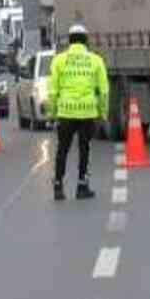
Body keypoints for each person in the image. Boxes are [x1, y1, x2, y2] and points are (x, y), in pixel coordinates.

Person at [48, 24, 109, 201]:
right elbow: (104, 91)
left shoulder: (59, 61)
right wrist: (102, 112)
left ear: (69, 40)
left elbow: (53, 91)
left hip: (65, 112)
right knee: (85, 149)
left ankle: (58, 186)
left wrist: (53, 113)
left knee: (63, 150)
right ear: (86, 41)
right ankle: (82, 186)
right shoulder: (95, 60)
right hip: (87, 112)